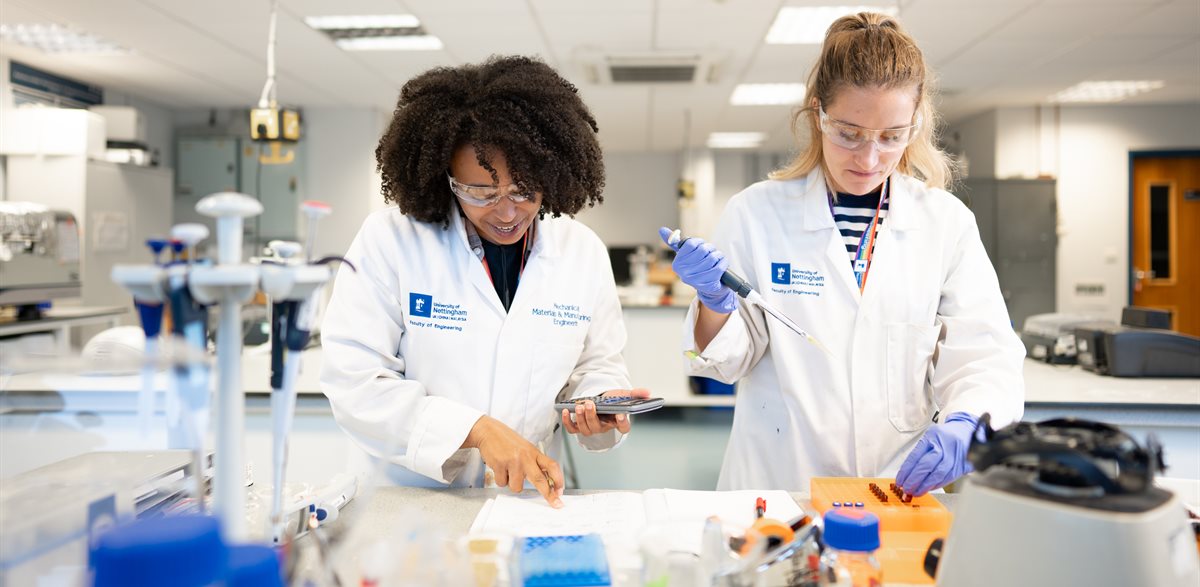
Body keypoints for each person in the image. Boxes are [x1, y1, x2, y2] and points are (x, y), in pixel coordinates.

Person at [660, 13, 1024, 495]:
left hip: (896, 486)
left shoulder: (945, 223)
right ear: (818, 114)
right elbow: (726, 363)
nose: (869, 159)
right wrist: (714, 303)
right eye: (849, 134)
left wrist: (967, 423)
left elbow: (985, 353)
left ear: (915, 125)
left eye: (892, 136)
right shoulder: (756, 213)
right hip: (780, 486)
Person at [321, 55, 648, 508]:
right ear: (447, 179)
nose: (507, 212)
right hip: (411, 499)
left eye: (524, 190)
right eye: (480, 193)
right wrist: (475, 430)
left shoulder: (582, 252)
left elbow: (597, 363)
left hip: (527, 496)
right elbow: (355, 382)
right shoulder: (391, 240)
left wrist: (597, 401)